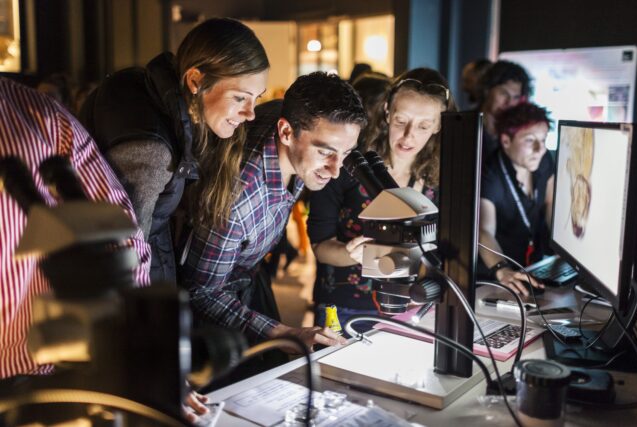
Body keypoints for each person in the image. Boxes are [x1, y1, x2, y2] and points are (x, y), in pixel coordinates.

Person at [181, 71, 366, 350]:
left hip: (252, 280)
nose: (336, 169)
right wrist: (284, 332)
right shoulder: (238, 200)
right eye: (325, 152)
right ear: (286, 132)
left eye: (346, 152)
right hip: (209, 326)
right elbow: (201, 292)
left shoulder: (287, 116)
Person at [80, 18, 269, 284]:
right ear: (195, 80)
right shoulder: (152, 153)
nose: (250, 114)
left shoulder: (147, 89)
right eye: (240, 97)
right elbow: (125, 264)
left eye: (257, 98)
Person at [0, 76, 151, 381]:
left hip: (40, 376)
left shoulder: (43, 118)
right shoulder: (40, 115)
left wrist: (141, 356)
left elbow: (120, 240)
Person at [307, 68, 456, 329]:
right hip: (343, 306)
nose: (409, 136)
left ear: (439, 125)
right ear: (387, 111)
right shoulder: (348, 164)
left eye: (423, 126)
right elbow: (321, 246)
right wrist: (351, 254)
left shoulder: (443, 178)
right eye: (401, 121)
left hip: (412, 308)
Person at [478, 102, 553, 295]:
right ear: (505, 141)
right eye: (530, 140)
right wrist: (501, 269)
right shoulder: (490, 174)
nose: (540, 149)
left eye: (543, 140)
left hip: (533, 267)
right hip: (499, 275)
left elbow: (551, 204)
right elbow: (484, 230)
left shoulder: (543, 160)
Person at [477, 60, 531, 161]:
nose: (509, 102)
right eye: (503, 93)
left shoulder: (518, 132)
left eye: (515, 97)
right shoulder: (464, 125)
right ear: (487, 90)